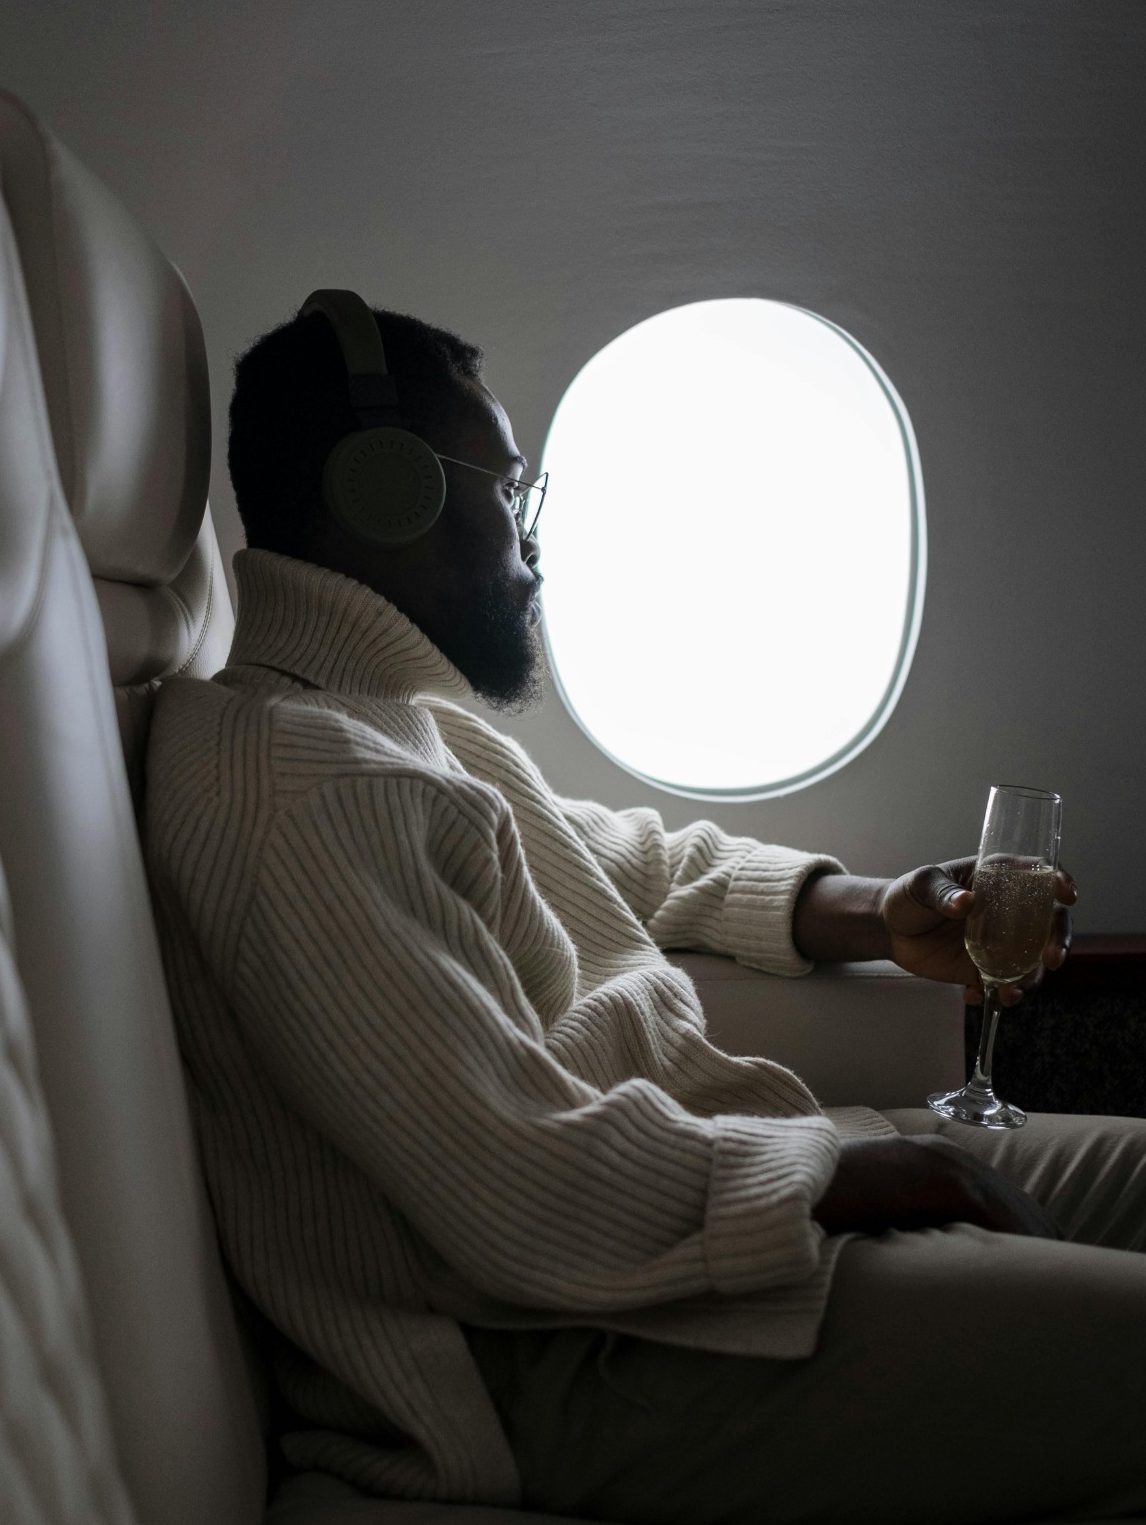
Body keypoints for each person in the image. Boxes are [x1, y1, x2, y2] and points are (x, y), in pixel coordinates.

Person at [144, 295, 1146, 1525]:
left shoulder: (391, 725)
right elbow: (518, 1187)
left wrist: (876, 910)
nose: (532, 545)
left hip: (677, 1249)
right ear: (387, 493)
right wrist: (854, 1169)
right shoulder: (298, 790)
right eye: (510, 495)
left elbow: (618, 858)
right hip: (554, 1357)